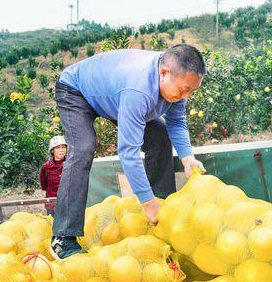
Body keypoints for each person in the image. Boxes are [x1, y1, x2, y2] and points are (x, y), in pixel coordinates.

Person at [50, 44, 206, 261]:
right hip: (76, 90)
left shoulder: (175, 82)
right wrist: (146, 202)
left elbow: (176, 122)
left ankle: (162, 213)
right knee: (83, 148)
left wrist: (188, 157)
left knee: (159, 134)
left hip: (111, 95)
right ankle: (62, 237)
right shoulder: (138, 89)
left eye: (191, 90)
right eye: (183, 90)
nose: (186, 96)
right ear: (164, 73)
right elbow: (129, 154)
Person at [39, 136, 68, 217]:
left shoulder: (70, 164)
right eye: (58, 148)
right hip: (52, 205)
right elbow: (44, 186)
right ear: (52, 150)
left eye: (63, 147)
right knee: (52, 226)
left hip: (68, 204)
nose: (61, 150)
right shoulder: (46, 167)